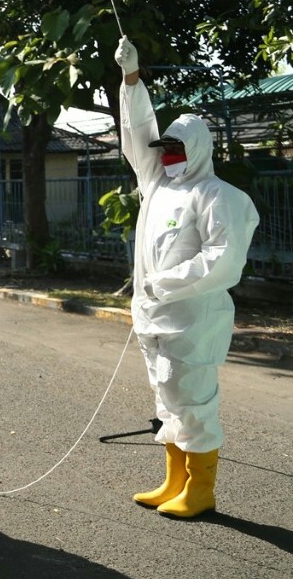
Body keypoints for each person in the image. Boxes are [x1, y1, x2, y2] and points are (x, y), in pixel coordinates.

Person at [115, 35, 259, 518]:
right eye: (165, 147)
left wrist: (162, 284)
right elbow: (137, 132)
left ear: (198, 148)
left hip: (193, 320)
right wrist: (131, 79)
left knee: (194, 402)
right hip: (153, 318)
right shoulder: (157, 184)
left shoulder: (220, 196)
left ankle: (201, 491)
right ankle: (174, 481)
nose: (168, 154)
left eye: (177, 147)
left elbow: (224, 260)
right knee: (166, 400)